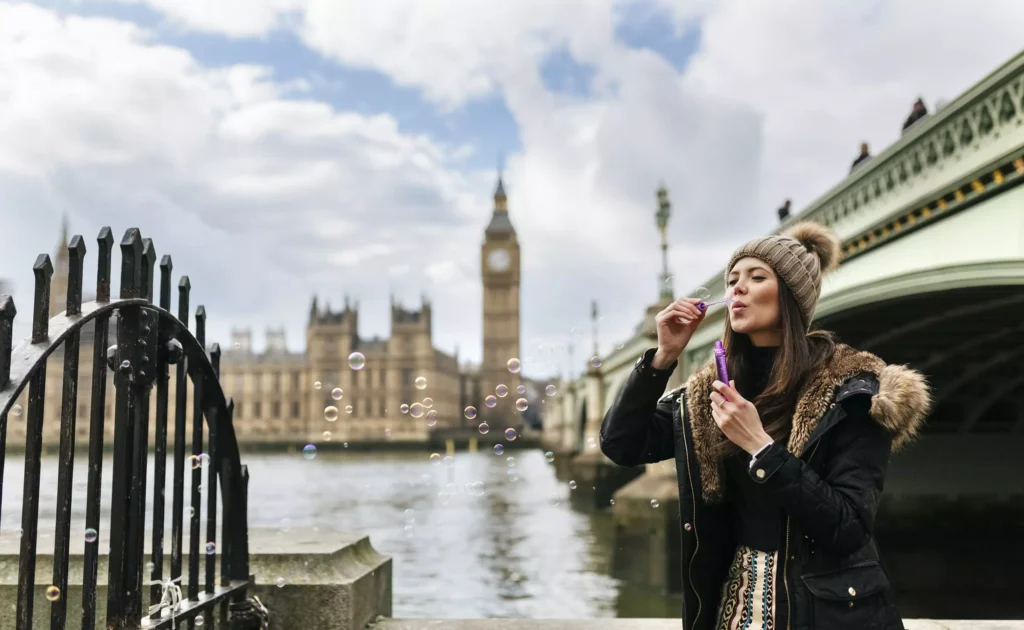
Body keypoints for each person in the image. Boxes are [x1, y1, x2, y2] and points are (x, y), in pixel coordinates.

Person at [600, 221, 931, 630]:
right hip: (735, 608)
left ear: (792, 297)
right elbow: (621, 445)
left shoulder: (853, 392)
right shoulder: (711, 393)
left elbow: (849, 528)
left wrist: (761, 447)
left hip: (828, 615)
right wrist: (662, 359)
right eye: (732, 279)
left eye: (757, 277)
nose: (737, 288)